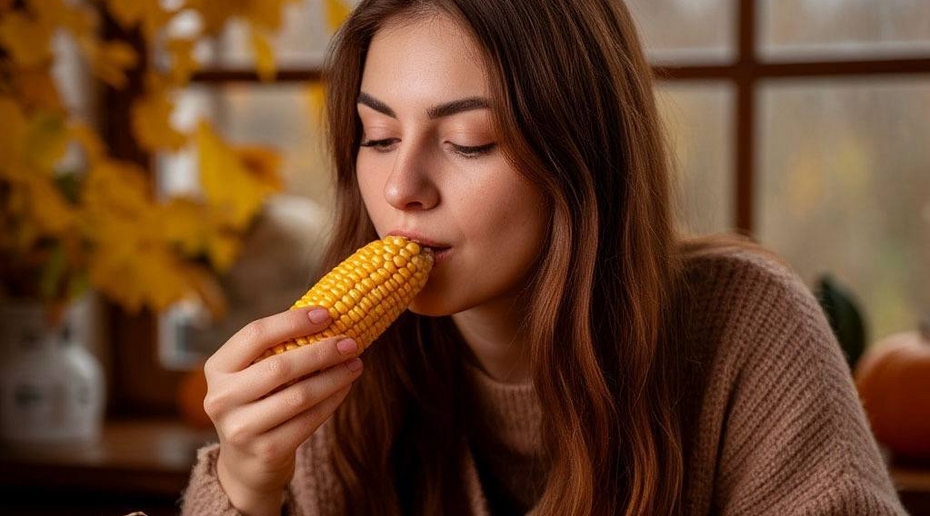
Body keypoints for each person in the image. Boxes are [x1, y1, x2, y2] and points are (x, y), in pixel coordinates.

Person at [181, 1, 907, 515]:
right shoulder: (340, 376)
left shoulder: (748, 328)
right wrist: (244, 487)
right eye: (378, 137)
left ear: (578, 155)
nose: (401, 188)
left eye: (467, 142)